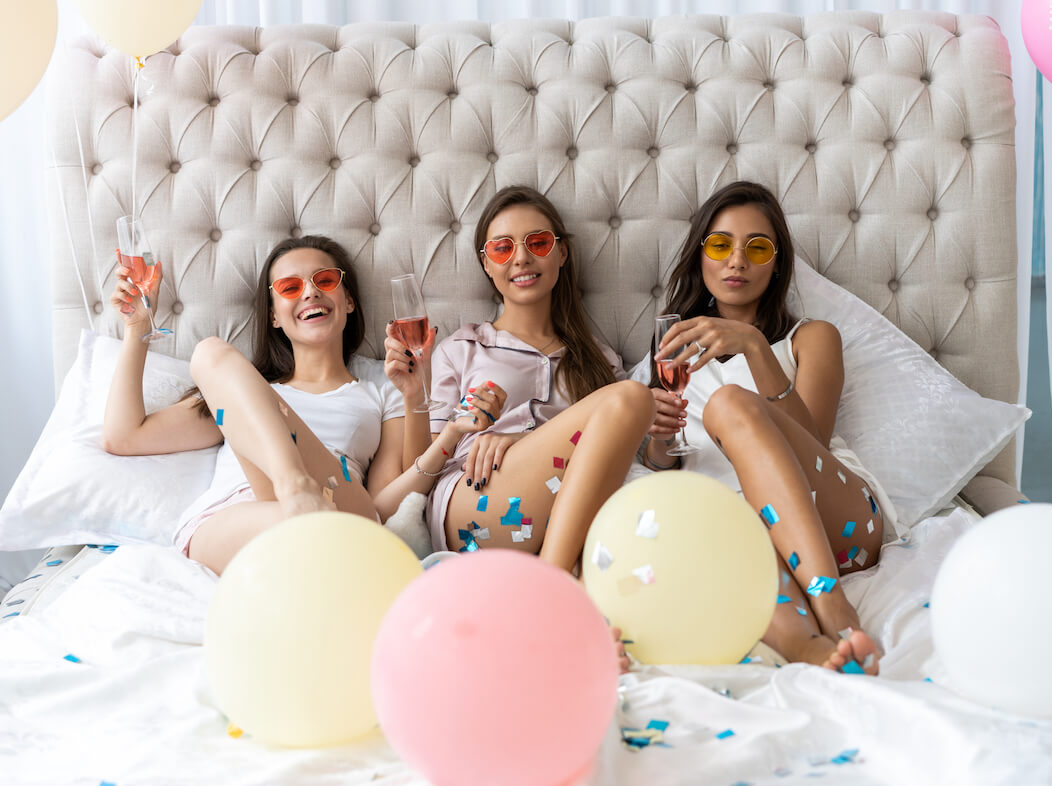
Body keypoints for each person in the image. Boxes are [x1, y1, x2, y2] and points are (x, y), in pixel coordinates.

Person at [103, 234, 481, 575]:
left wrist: (415, 396)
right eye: (290, 286)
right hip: (246, 512)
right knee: (209, 353)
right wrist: (136, 329)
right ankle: (293, 485)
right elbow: (124, 437)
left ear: (348, 301)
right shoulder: (237, 389)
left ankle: (300, 492)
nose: (310, 293)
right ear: (273, 316)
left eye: (326, 281)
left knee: (329, 523)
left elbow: (390, 499)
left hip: (337, 500)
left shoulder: (382, 386)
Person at [638, 181, 899, 675]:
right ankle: (814, 650)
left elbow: (814, 444)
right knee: (726, 532)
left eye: (757, 248)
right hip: (743, 521)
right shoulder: (673, 347)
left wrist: (756, 346)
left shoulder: (812, 338)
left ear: (776, 263)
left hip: (837, 521)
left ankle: (835, 608)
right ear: (700, 257)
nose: (737, 260)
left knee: (729, 403)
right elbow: (662, 463)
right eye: (720, 245)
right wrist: (656, 436)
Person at [425, 186, 656, 580]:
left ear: (561, 253)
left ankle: (570, 606)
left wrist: (663, 434)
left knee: (613, 580)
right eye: (502, 248)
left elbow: (628, 455)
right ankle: (551, 587)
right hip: (480, 505)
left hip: (569, 516)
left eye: (538, 242)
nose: (521, 258)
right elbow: (428, 458)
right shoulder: (461, 349)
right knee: (633, 397)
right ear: (487, 264)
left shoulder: (600, 360)